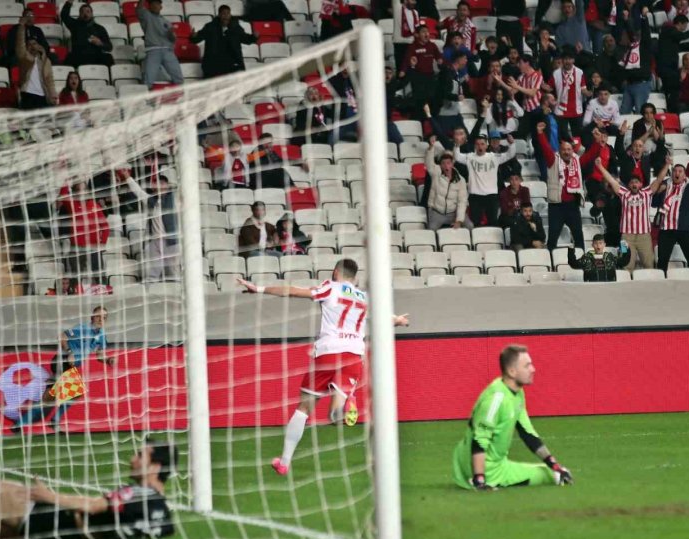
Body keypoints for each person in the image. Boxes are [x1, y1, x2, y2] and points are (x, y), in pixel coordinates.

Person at [237, 259, 410, 475]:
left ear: (336, 272)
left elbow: (294, 291)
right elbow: (383, 317)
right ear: (355, 277)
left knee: (303, 409)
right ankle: (345, 402)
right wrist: (398, 320)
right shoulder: (365, 297)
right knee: (334, 415)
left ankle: (284, 462)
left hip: (327, 353)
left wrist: (260, 288)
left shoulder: (330, 287)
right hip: (353, 355)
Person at [0, 440, 175, 539]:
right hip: (57, 537)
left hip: (51, 518)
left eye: (140, 455)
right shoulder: (163, 514)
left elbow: (93, 506)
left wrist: (49, 496)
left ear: (155, 467)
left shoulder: (136, 493)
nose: (132, 459)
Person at [452, 344, 573, 490]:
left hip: (482, 463)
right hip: (487, 470)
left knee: (554, 471)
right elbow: (479, 440)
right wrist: (480, 480)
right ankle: (480, 478)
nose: (533, 369)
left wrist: (554, 465)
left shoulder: (516, 393)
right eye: (527, 366)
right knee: (550, 476)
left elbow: (527, 433)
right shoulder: (496, 399)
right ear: (512, 371)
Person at [13, 307, 116, 431]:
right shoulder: (82, 328)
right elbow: (61, 336)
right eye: (98, 316)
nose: (101, 319)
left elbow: (100, 355)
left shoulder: (102, 336)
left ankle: (20, 423)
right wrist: (69, 352)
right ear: (92, 317)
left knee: (49, 397)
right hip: (62, 361)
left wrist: (108, 360)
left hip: (70, 366)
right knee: (78, 391)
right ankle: (54, 421)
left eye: (104, 317)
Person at [595, 157, 671, 271]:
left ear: (641, 184)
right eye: (632, 182)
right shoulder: (624, 193)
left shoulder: (647, 193)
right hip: (625, 238)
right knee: (626, 265)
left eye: (636, 182)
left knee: (649, 265)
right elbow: (611, 180)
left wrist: (667, 164)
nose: (634, 184)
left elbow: (659, 180)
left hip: (644, 236)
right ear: (628, 185)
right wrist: (600, 166)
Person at [652, 165, 689, 273]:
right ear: (672, 173)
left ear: (684, 175)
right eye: (675, 171)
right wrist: (658, 192)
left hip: (685, 228)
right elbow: (653, 203)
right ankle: (661, 280)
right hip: (666, 228)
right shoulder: (665, 185)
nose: (677, 173)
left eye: (680, 171)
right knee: (662, 259)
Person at [535, 121, 585, 250]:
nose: (566, 152)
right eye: (564, 150)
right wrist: (540, 133)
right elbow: (546, 148)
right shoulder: (553, 160)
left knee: (579, 237)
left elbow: (590, 156)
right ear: (559, 150)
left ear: (572, 150)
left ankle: (583, 260)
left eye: (569, 149)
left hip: (572, 206)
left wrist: (597, 143)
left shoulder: (577, 161)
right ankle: (551, 259)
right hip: (556, 206)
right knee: (552, 239)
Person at [123, 172, 179, 280]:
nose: (160, 186)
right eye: (157, 184)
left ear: (167, 185)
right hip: (155, 241)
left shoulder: (174, 198)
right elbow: (138, 191)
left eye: (162, 183)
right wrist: (127, 177)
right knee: (152, 274)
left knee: (174, 273)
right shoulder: (151, 200)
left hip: (171, 241)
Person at [453, 133, 516, 226]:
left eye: (482, 144)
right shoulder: (470, 157)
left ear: (486, 145)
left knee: (493, 222)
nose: (480, 146)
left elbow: (509, 155)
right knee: (476, 223)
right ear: (475, 146)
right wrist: (457, 146)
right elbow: (457, 157)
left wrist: (512, 144)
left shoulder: (494, 157)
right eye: (477, 144)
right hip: (475, 197)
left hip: (491, 196)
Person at [191, 4, 257, 79]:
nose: (226, 16)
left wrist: (253, 37)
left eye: (228, 13)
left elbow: (246, 39)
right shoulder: (210, 27)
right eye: (223, 13)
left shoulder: (236, 28)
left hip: (232, 61)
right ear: (219, 15)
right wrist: (194, 36)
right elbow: (198, 38)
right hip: (214, 62)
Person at [425, 136, 471, 230]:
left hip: (454, 212)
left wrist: (459, 220)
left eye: (448, 163)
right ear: (440, 165)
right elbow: (429, 164)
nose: (446, 166)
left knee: (470, 226)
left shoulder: (461, 180)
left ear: (452, 164)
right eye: (443, 163)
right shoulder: (436, 172)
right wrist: (431, 147)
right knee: (431, 230)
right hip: (437, 212)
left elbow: (462, 201)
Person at [399, 25, 444, 119]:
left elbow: (439, 57)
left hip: (430, 76)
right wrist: (403, 70)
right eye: (423, 32)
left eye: (427, 31)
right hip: (418, 77)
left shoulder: (432, 45)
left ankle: (430, 119)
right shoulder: (412, 47)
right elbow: (406, 60)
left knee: (431, 98)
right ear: (417, 35)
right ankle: (419, 119)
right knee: (420, 100)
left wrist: (440, 60)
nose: (426, 34)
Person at [139, 0, 184, 87]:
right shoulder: (146, 16)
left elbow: (173, 39)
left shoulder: (166, 21)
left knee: (179, 78)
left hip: (168, 50)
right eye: (153, 4)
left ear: (161, 7)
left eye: (157, 4)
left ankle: (179, 95)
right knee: (148, 80)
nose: (155, 6)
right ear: (149, 6)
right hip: (153, 50)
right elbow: (139, 8)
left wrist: (171, 34)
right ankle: (147, 95)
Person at [547, 47, 589, 140]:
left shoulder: (580, 72)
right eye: (565, 59)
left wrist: (589, 93)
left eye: (570, 59)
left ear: (573, 60)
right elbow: (549, 88)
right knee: (562, 138)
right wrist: (540, 84)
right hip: (560, 110)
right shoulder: (556, 73)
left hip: (576, 110)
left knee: (578, 137)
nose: (568, 61)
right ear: (562, 60)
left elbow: (583, 89)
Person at [15, 20, 57, 110]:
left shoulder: (46, 61)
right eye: (29, 44)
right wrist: (21, 27)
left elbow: (50, 79)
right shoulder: (25, 58)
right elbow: (20, 46)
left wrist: (53, 94)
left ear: (39, 45)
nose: (32, 46)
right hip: (28, 95)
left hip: (43, 95)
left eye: (34, 43)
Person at [618, 10, 653, 114]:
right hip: (629, 84)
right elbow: (631, 33)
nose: (636, 35)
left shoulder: (645, 47)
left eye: (639, 33)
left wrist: (644, 18)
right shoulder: (632, 46)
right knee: (624, 112)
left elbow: (646, 33)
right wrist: (626, 20)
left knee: (640, 111)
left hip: (641, 84)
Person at [61, 0, 114, 68]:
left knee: (108, 58)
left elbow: (109, 47)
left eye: (88, 11)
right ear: (79, 14)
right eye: (82, 12)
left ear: (92, 14)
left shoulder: (99, 28)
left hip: (95, 57)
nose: (85, 14)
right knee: (69, 58)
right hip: (79, 56)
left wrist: (100, 43)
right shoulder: (74, 25)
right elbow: (64, 15)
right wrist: (69, 3)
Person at [567, 234, 631, 281]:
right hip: (591, 290)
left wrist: (624, 247)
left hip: (610, 289)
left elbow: (624, 261)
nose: (598, 246)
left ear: (604, 244)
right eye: (596, 243)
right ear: (592, 245)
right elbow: (573, 264)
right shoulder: (586, 258)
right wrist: (571, 249)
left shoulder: (610, 257)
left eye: (600, 243)